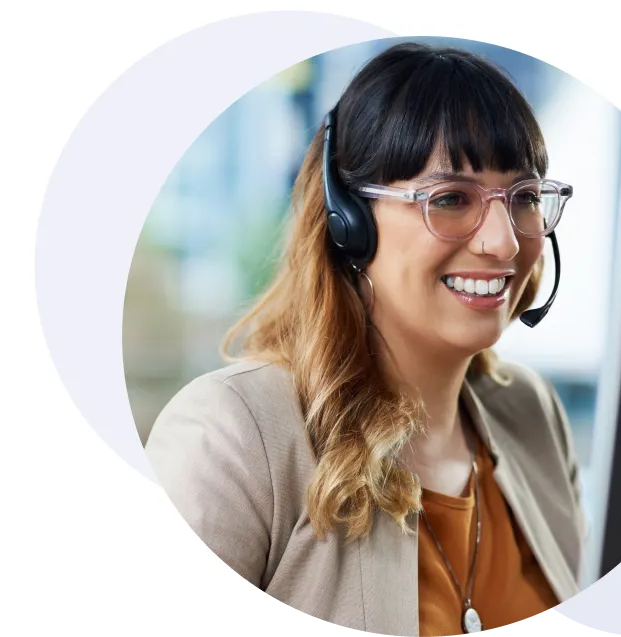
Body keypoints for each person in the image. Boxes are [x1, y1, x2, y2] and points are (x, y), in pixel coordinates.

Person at [144, 41, 587, 637]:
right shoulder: (231, 439)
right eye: (450, 199)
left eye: (525, 198)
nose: (504, 243)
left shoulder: (533, 415)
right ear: (347, 221)